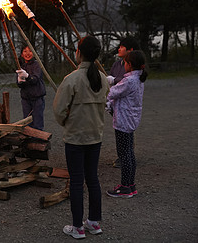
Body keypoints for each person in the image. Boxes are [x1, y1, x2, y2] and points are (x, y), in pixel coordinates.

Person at [53, 36, 109, 239]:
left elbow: (59, 111)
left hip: (76, 139)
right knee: (92, 179)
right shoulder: (102, 78)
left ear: (79, 53)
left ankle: (77, 227)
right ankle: (94, 223)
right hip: (95, 137)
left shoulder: (73, 79)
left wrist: (66, 122)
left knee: (77, 181)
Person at [106, 50, 148, 198]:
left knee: (124, 154)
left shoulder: (129, 81)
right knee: (129, 153)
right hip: (130, 120)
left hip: (123, 121)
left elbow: (113, 92)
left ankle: (125, 187)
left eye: (125, 62)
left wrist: (109, 82)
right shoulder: (138, 79)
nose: (123, 64)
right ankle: (130, 185)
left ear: (130, 65)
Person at [107, 37, 140, 168]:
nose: (119, 49)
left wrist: (114, 80)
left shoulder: (134, 69)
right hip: (116, 104)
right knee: (119, 130)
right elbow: (110, 79)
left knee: (125, 130)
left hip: (126, 105)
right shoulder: (117, 64)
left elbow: (125, 82)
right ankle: (124, 155)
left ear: (130, 50)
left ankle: (126, 157)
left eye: (122, 47)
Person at [16, 46, 46, 130]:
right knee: (27, 121)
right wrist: (20, 81)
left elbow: (35, 79)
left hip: (37, 98)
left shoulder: (37, 65)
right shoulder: (21, 66)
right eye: (25, 51)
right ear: (22, 54)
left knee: (38, 121)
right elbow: (19, 85)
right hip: (26, 98)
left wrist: (27, 76)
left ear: (34, 53)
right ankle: (29, 139)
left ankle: (39, 139)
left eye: (30, 51)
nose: (27, 53)